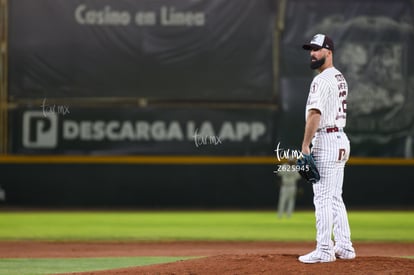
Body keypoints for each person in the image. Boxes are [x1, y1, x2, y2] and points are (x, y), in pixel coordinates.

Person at [298, 34, 356, 263]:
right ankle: (345, 246)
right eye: (310, 50)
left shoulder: (321, 80)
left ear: (329, 52)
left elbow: (315, 114)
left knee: (322, 197)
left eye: (317, 49)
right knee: (334, 197)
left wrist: (305, 146)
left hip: (327, 140)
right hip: (341, 139)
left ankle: (324, 249)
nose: (312, 53)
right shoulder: (339, 77)